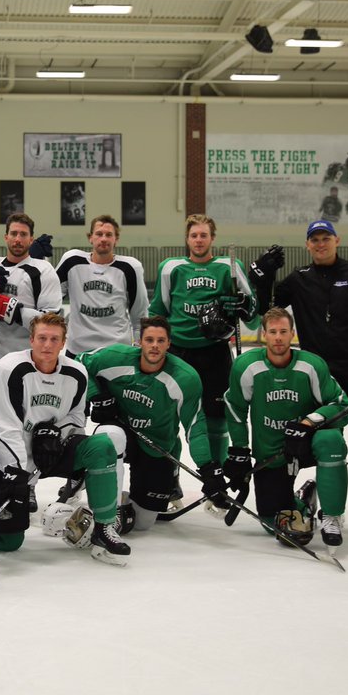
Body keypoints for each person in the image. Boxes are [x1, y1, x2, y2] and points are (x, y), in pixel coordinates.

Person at [248, 219, 348, 524]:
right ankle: (327, 504)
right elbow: (268, 308)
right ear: (308, 245)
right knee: (325, 439)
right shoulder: (299, 279)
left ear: (337, 241)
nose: (320, 243)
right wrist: (263, 276)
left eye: (326, 238)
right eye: (315, 239)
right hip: (316, 374)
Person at [0, 313, 130, 566]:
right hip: (10, 459)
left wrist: (57, 437)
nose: (47, 345)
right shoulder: (8, 369)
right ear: (31, 339)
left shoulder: (76, 373)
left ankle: (104, 527)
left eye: (54, 339)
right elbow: (4, 425)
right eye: (42, 338)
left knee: (102, 446)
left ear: (63, 343)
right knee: (7, 542)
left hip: (53, 449)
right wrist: (20, 472)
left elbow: (76, 417)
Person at [221, 308, 348, 548]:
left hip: (308, 442)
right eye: (273, 332)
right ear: (264, 335)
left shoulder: (312, 365)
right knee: (273, 520)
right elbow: (234, 407)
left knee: (330, 441)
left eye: (283, 331)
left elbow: (343, 406)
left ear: (292, 334)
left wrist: (308, 422)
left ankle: (332, 516)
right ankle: (303, 500)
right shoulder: (246, 366)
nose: (278, 337)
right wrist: (239, 450)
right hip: (272, 451)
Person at [78, 315, 210, 532]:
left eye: (160, 341)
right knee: (110, 436)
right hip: (122, 430)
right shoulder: (115, 357)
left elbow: (195, 427)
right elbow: (78, 361)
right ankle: (108, 512)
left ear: (169, 343)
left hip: (156, 444)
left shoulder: (185, 378)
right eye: (149, 340)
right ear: (139, 341)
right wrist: (96, 395)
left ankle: (141, 492)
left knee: (143, 524)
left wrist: (207, 467)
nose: (155, 346)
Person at [149, 214, 258, 466]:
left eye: (204, 235)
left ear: (212, 238)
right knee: (168, 418)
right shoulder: (170, 267)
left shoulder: (229, 266)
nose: (199, 240)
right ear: (187, 239)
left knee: (217, 419)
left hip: (215, 352)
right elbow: (158, 312)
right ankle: (170, 481)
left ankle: (216, 481)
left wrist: (243, 306)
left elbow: (252, 314)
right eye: (194, 235)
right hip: (177, 353)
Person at [0, 212, 62, 461]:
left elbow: (52, 321)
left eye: (23, 235)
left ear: (31, 239)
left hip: (26, 361)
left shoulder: (43, 271)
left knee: (23, 425)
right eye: (14, 234)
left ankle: (23, 484)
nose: (18, 239)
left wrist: (14, 311)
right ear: (6, 236)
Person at [55, 214, 148, 355]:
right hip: (78, 350)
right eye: (99, 234)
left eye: (109, 235)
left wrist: (137, 346)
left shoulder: (130, 267)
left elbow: (139, 314)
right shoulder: (72, 260)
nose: (103, 238)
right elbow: (50, 296)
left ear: (116, 239)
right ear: (90, 237)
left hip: (117, 351)